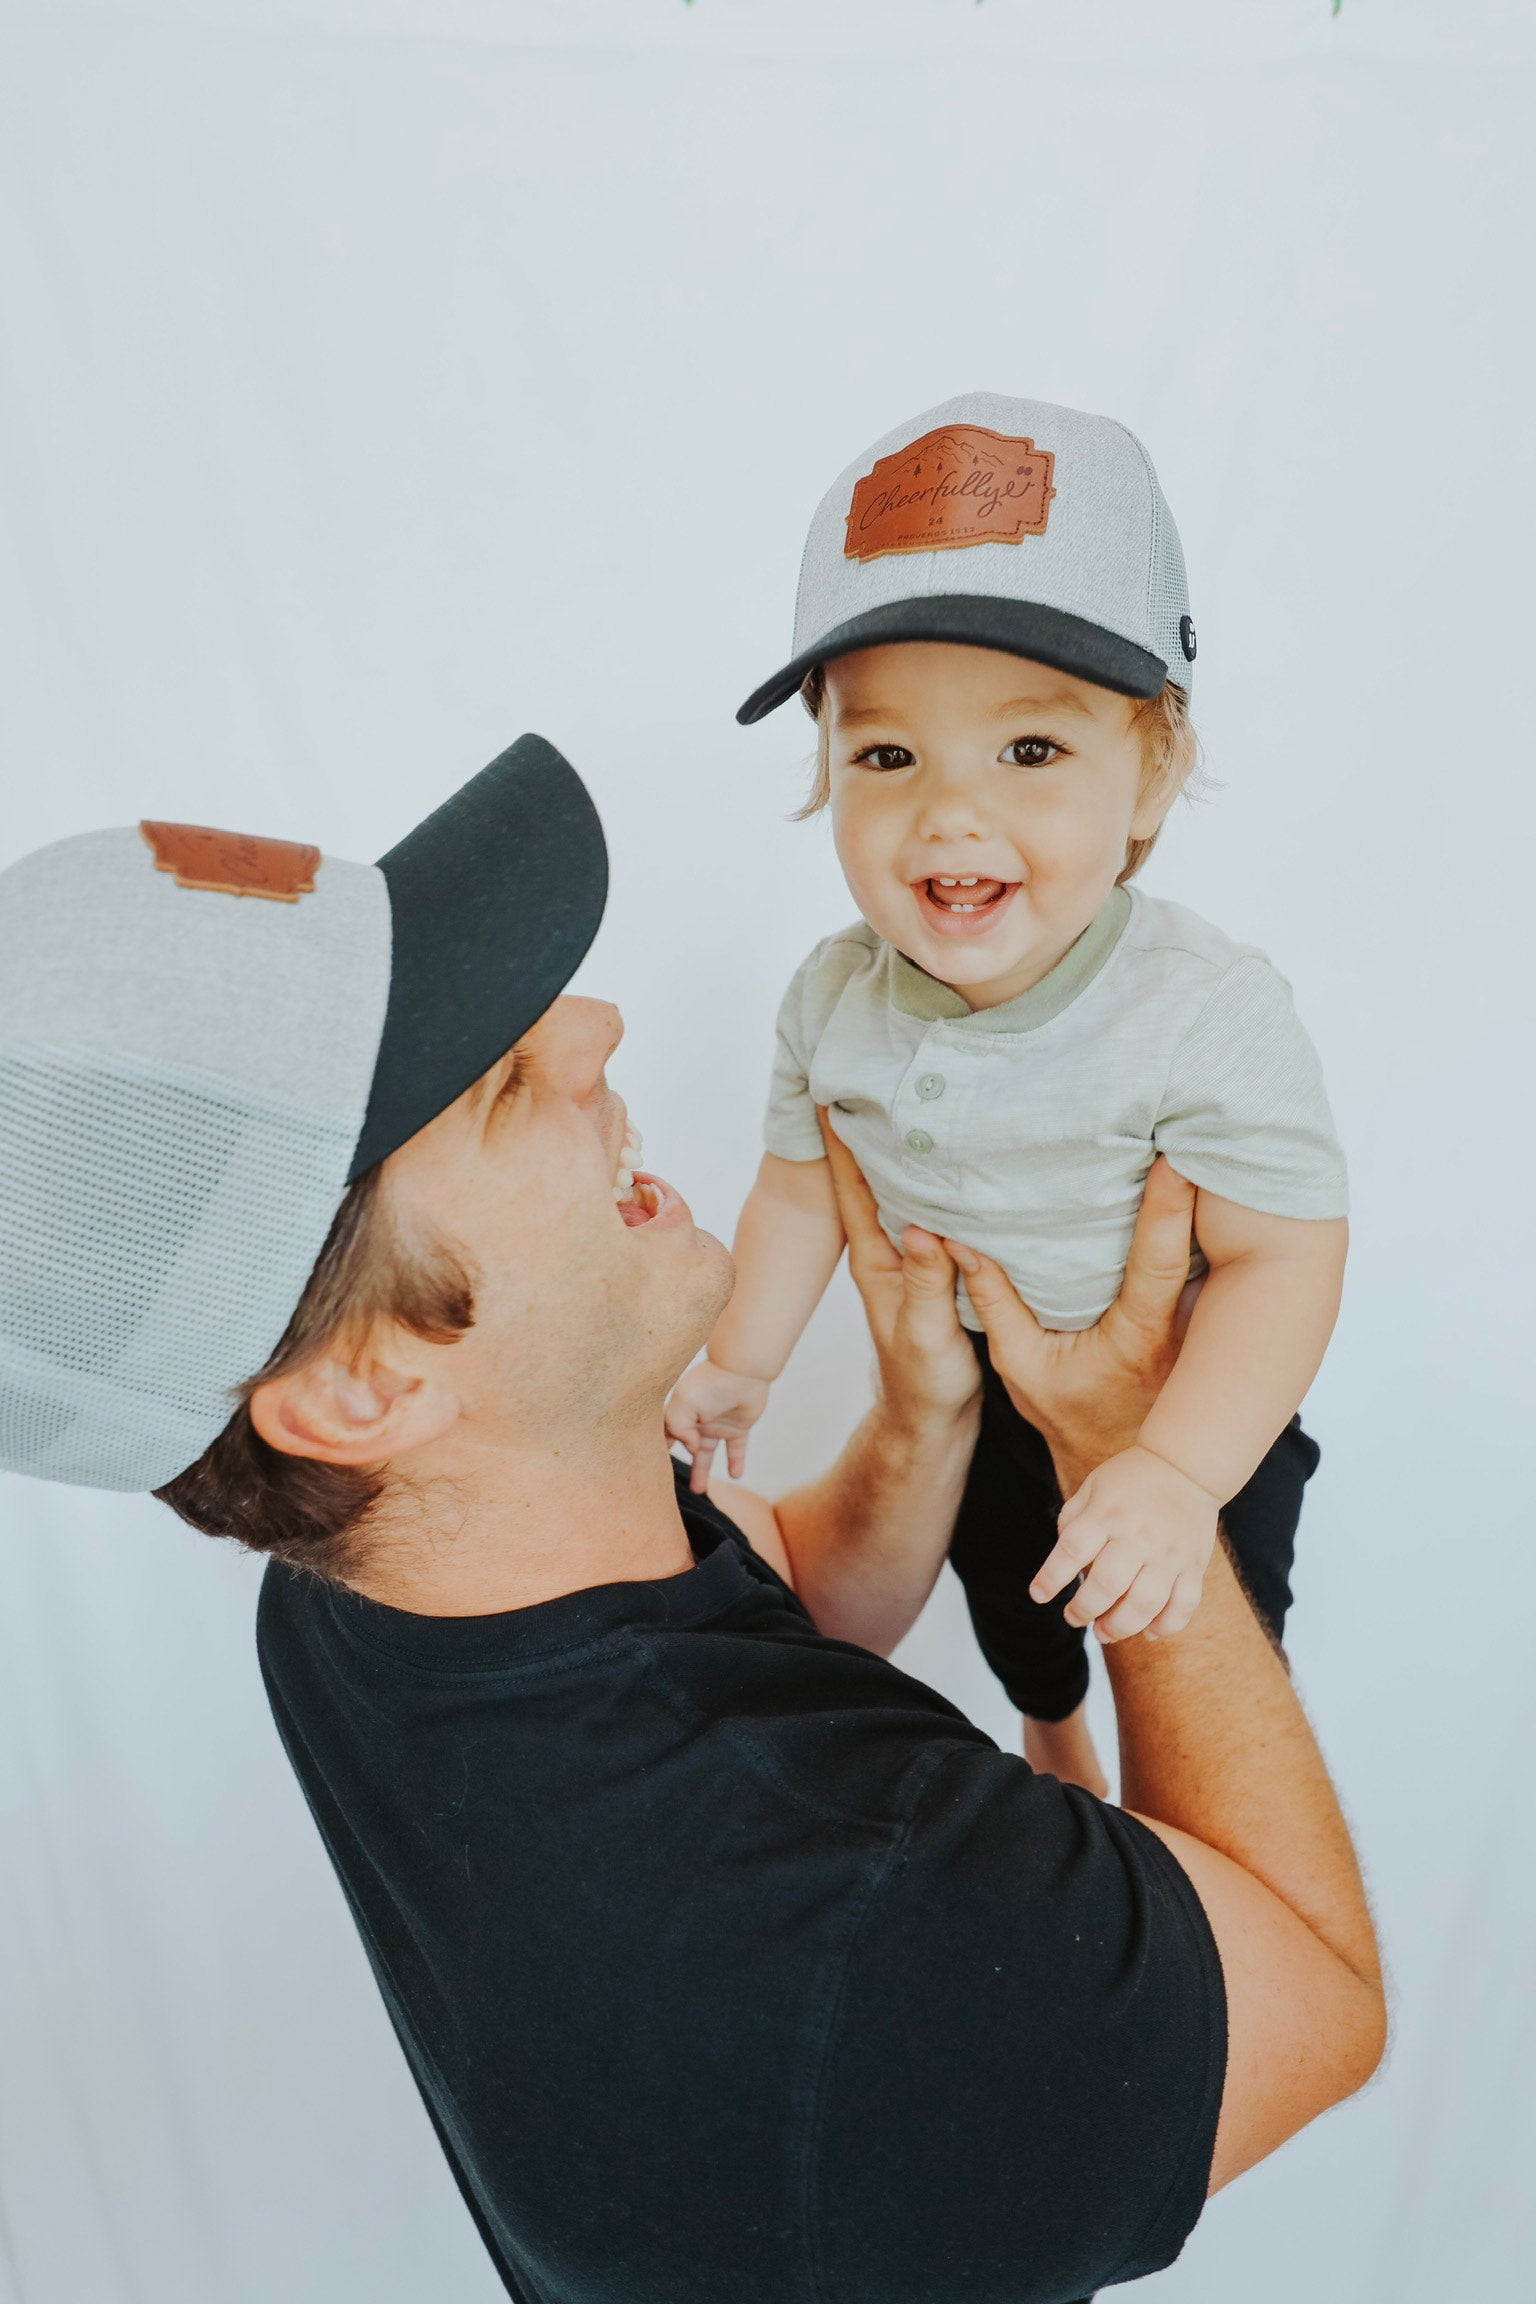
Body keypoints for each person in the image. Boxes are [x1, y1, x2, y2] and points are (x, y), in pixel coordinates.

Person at [0, 737, 1384, 2304]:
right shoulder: (872, 1935)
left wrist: (922, 1414)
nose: (591, 1028)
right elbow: (1317, 1997)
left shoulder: (365, 1587)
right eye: (502, 1079)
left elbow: (764, 1611)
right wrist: (1140, 1462)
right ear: (367, 1388)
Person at [667, 392, 1348, 1793]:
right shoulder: (833, 998)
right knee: (1012, 1596)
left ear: (1153, 773)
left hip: (1190, 1411)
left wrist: (1174, 1470)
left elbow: (1286, 1254)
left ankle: (1195, 1820)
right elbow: (800, 1182)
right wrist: (742, 1356)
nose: (949, 812)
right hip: (980, 1391)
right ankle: (1052, 1724)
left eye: (1030, 752)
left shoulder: (1201, 1010)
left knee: (1205, 1626)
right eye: (886, 755)